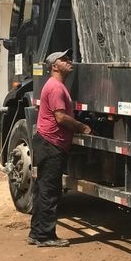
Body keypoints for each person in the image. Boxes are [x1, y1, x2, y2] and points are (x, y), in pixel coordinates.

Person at [28, 49, 92, 247]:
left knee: (43, 189)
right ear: (54, 66)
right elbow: (61, 117)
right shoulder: (56, 87)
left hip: (47, 142)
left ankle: (36, 232)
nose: (69, 61)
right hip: (51, 143)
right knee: (50, 190)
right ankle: (45, 237)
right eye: (64, 59)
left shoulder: (55, 85)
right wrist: (82, 127)